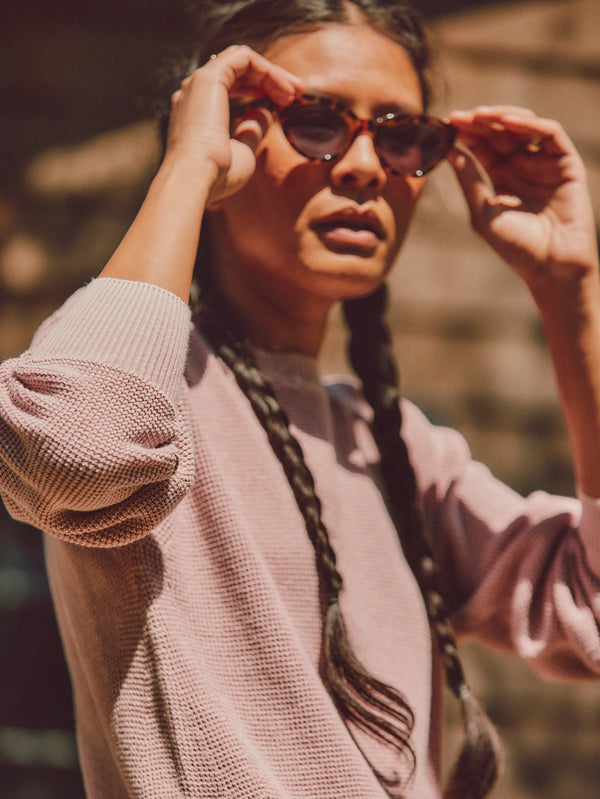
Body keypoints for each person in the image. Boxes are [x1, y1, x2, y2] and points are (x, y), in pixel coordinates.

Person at [1, 0, 599, 797]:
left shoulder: (392, 448)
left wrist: (570, 293)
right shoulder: (138, 377)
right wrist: (186, 172)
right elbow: (75, 451)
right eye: (315, 123)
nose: (363, 168)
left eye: (400, 136)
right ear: (223, 136)